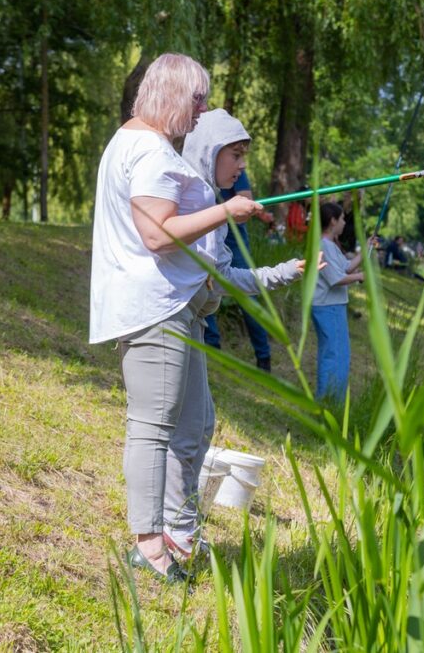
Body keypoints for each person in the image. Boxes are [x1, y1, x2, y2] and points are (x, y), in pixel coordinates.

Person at [89, 54, 311, 583]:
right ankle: (150, 546)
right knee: (151, 427)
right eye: (199, 98)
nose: (203, 110)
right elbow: (157, 235)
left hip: (171, 309)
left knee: (189, 423)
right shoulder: (147, 149)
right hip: (156, 309)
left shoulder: (136, 143)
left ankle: (171, 534)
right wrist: (226, 210)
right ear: (172, 93)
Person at [187, 166, 273, 372]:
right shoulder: (191, 165)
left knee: (246, 296)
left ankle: (264, 357)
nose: (241, 163)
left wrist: (220, 210)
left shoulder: (234, 167)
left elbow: (245, 199)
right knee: (203, 286)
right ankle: (211, 347)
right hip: (205, 238)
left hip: (233, 241)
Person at [313, 201, 368, 404]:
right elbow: (336, 279)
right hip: (327, 307)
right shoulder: (322, 247)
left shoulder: (329, 245)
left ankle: (334, 400)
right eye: (342, 219)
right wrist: (360, 276)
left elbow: (346, 267)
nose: (345, 222)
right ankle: (326, 401)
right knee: (333, 355)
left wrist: (366, 250)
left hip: (333, 306)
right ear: (333, 221)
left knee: (340, 355)